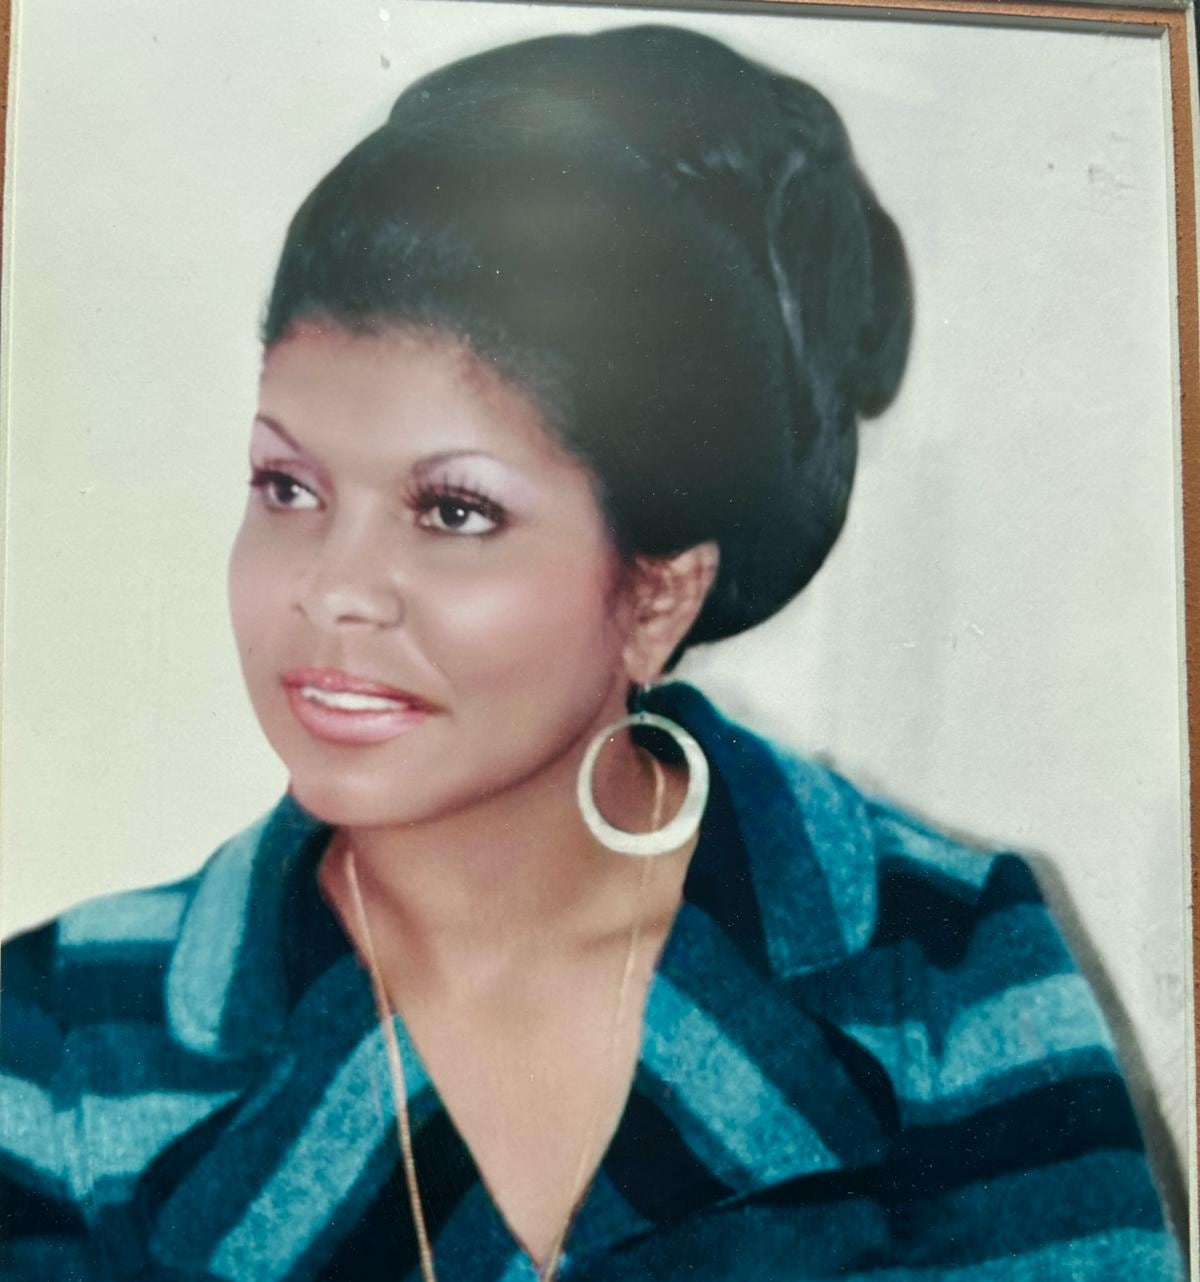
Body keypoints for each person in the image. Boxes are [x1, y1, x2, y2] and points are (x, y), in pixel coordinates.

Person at [0, 24, 1184, 1282]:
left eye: (454, 511)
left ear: (657, 594)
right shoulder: (61, 1039)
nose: (330, 590)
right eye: (288, 487)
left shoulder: (936, 966)